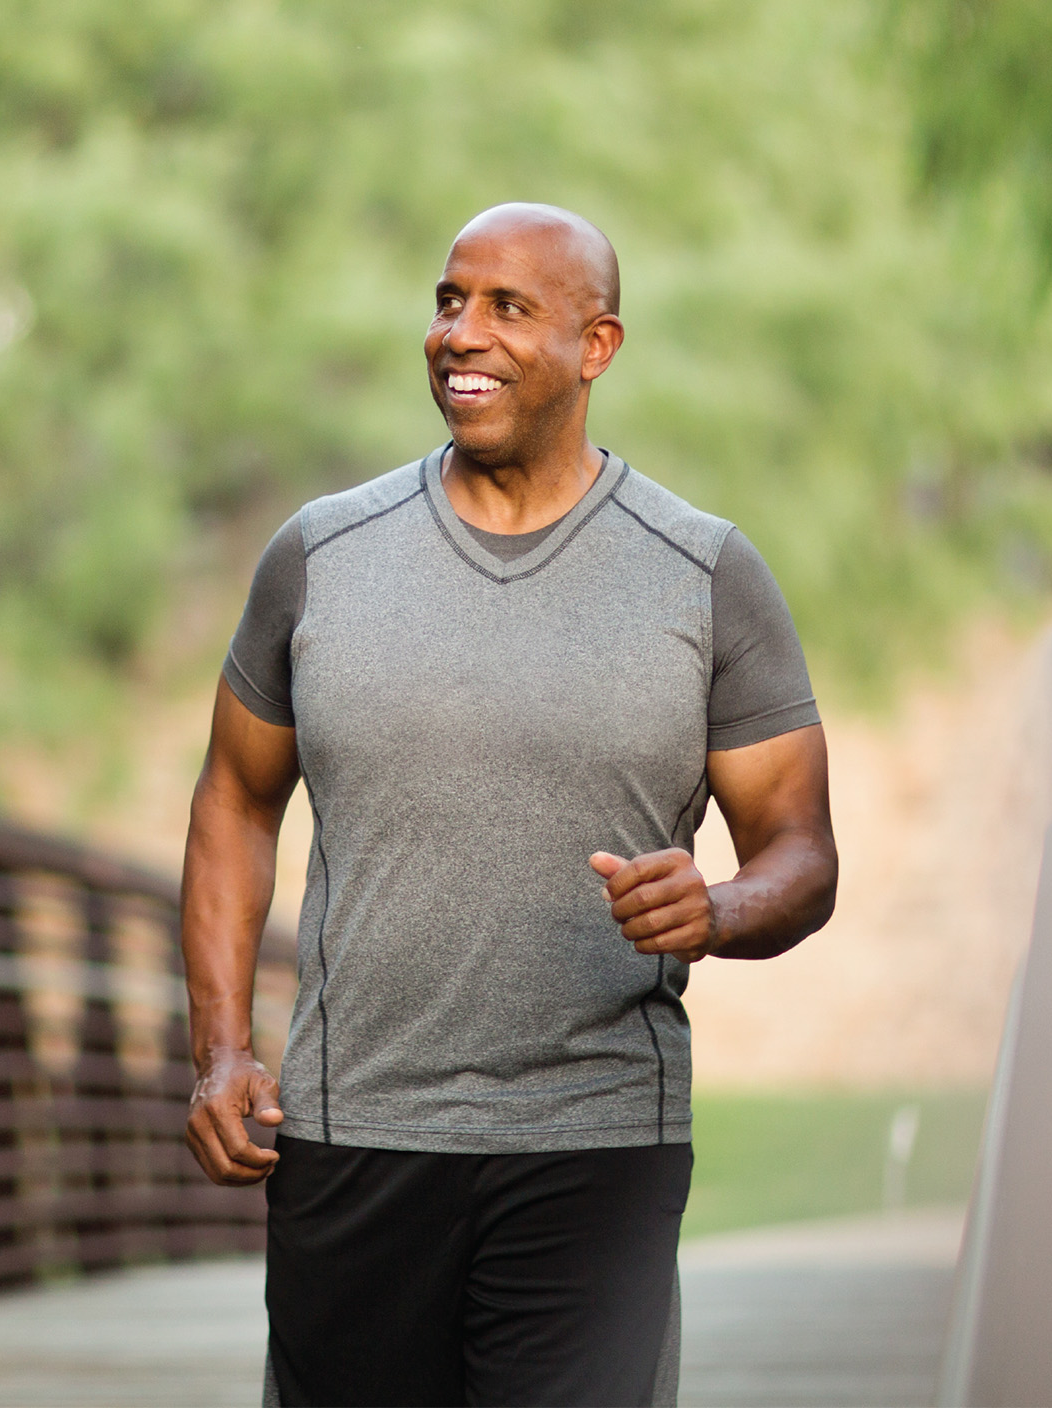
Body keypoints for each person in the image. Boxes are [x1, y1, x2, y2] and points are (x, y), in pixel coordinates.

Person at [180, 202, 839, 1407]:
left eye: (506, 307)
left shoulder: (702, 573)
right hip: (352, 1132)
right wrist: (221, 1052)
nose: (459, 333)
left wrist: (719, 909)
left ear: (597, 346)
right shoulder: (321, 557)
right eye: (448, 301)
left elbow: (800, 853)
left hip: (596, 1138)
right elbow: (233, 799)